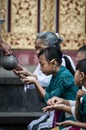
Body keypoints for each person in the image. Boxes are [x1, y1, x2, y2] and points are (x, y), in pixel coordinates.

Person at [14, 32, 76, 130]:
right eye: (36, 48)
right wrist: (26, 75)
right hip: (59, 112)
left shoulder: (62, 73)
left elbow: (48, 98)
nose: (37, 52)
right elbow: (45, 97)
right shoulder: (53, 71)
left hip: (70, 116)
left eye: (41, 49)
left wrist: (35, 81)